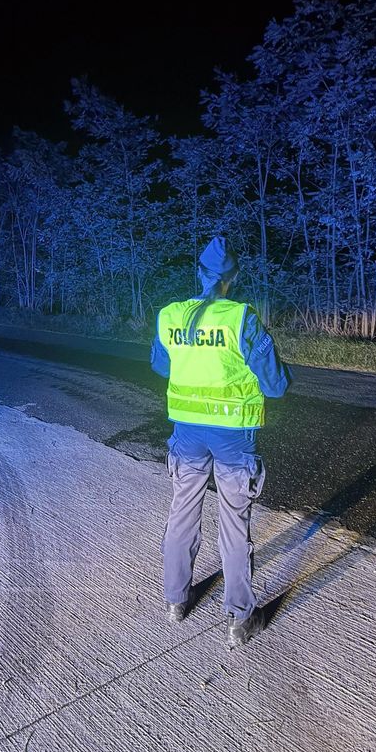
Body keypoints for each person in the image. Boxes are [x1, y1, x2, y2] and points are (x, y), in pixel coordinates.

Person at [150, 236, 291, 649]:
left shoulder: (170, 315)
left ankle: (176, 601)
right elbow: (276, 385)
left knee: (181, 513)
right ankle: (241, 618)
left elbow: (161, 365)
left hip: (187, 433)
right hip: (233, 437)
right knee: (233, 524)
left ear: (199, 272)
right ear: (232, 278)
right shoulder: (241, 319)